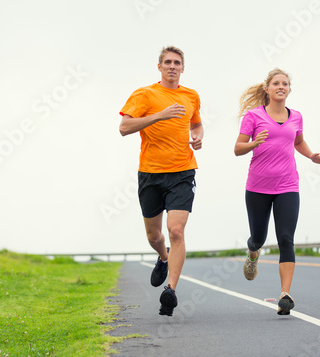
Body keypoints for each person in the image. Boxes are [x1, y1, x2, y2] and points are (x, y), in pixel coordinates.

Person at [119, 46, 203, 317]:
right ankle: (163, 257)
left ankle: (170, 290)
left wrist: (199, 136)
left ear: (182, 67)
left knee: (176, 230)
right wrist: (159, 115)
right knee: (154, 235)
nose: (172, 66)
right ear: (159, 67)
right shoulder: (145, 94)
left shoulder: (191, 96)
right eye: (167, 62)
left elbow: (196, 123)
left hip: (182, 171)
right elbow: (124, 128)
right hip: (151, 174)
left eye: (177, 62)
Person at [234, 68, 320, 315]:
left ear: (289, 89)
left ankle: (284, 294)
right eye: (276, 83)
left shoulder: (296, 116)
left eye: (285, 83)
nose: (281, 86)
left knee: (286, 238)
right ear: (267, 89)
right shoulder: (253, 116)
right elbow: (238, 148)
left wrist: (312, 155)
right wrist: (253, 143)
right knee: (259, 237)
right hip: (258, 187)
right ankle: (253, 252)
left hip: (287, 186)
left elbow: (297, 142)